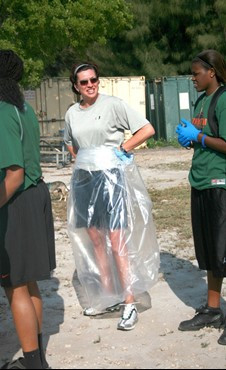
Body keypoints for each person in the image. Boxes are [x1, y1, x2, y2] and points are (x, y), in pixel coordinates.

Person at [64, 62, 159, 331]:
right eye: (84, 82)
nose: (90, 84)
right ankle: (108, 296)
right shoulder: (72, 113)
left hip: (111, 178)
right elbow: (70, 143)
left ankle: (129, 301)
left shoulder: (113, 104)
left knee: (117, 239)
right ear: (76, 86)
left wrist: (123, 148)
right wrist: (83, 161)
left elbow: (147, 129)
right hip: (85, 180)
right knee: (95, 238)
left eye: (93, 79)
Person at [0, 50, 56, 368]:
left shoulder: (4, 110)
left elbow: (14, 173)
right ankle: (37, 359)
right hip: (36, 196)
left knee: (15, 285)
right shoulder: (24, 108)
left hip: (17, 201)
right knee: (29, 282)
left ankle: (32, 363)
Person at [176, 49, 226, 345]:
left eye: (196, 73)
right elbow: (203, 140)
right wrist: (189, 139)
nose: (192, 78)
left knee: (224, 251)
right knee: (209, 252)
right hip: (201, 182)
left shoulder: (223, 99)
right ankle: (212, 309)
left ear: (212, 72)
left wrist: (199, 138)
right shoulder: (201, 100)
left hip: (221, 184)